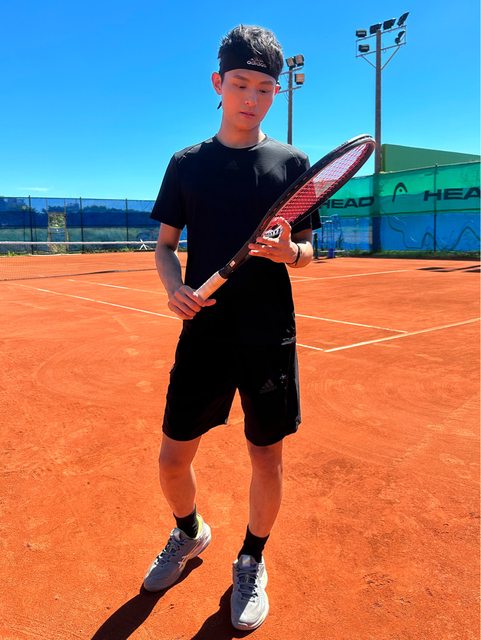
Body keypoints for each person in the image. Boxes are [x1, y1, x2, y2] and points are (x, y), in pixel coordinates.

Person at [143, 24, 313, 631]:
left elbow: (310, 251)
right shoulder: (186, 165)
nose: (251, 98)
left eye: (264, 88)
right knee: (172, 457)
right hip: (205, 333)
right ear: (218, 83)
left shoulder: (292, 164)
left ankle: (251, 559)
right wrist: (174, 288)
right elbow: (165, 246)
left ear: (276, 92)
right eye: (240, 84)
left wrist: (289, 253)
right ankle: (190, 531)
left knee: (266, 457)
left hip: (269, 336)